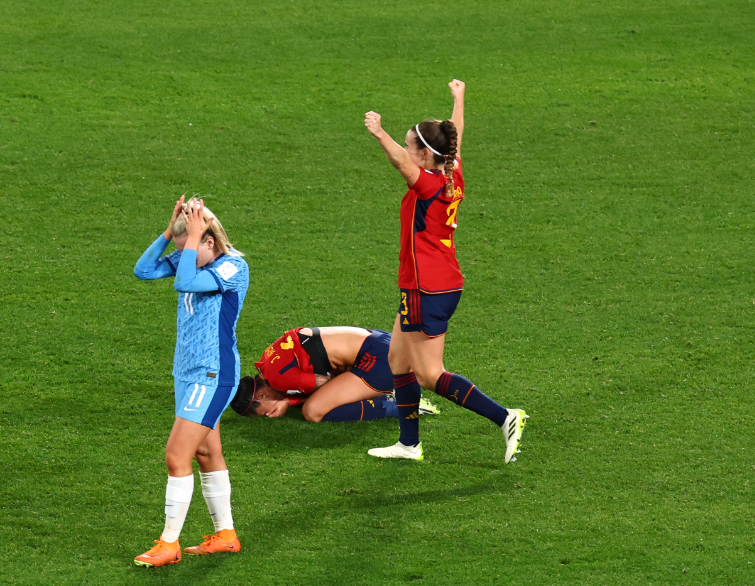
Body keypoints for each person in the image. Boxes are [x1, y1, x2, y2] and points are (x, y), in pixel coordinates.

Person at [362, 79, 527, 462]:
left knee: (430, 375)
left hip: (428, 289)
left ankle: (505, 417)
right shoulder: (452, 170)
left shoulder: (429, 185)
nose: (405, 149)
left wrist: (379, 132)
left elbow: (400, 164)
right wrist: (459, 100)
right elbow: (455, 139)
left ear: (423, 155)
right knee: (397, 361)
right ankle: (408, 443)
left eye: (409, 144)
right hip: (430, 284)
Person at [130, 198, 249, 567]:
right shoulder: (194, 257)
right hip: (187, 374)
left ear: (209, 241)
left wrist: (194, 236)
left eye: (191, 248)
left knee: (175, 455)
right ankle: (226, 535)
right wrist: (171, 233)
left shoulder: (233, 266)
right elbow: (144, 271)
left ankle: (169, 544)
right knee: (206, 453)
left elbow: (184, 281)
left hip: (213, 375)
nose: (182, 256)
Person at [230, 327, 438, 421]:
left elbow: (328, 384)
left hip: (382, 360)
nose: (269, 415)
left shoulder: (280, 379)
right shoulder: (267, 363)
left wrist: (290, 402)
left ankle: (402, 403)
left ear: (262, 396)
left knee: (313, 410)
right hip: (382, 344)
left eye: (264, 413)